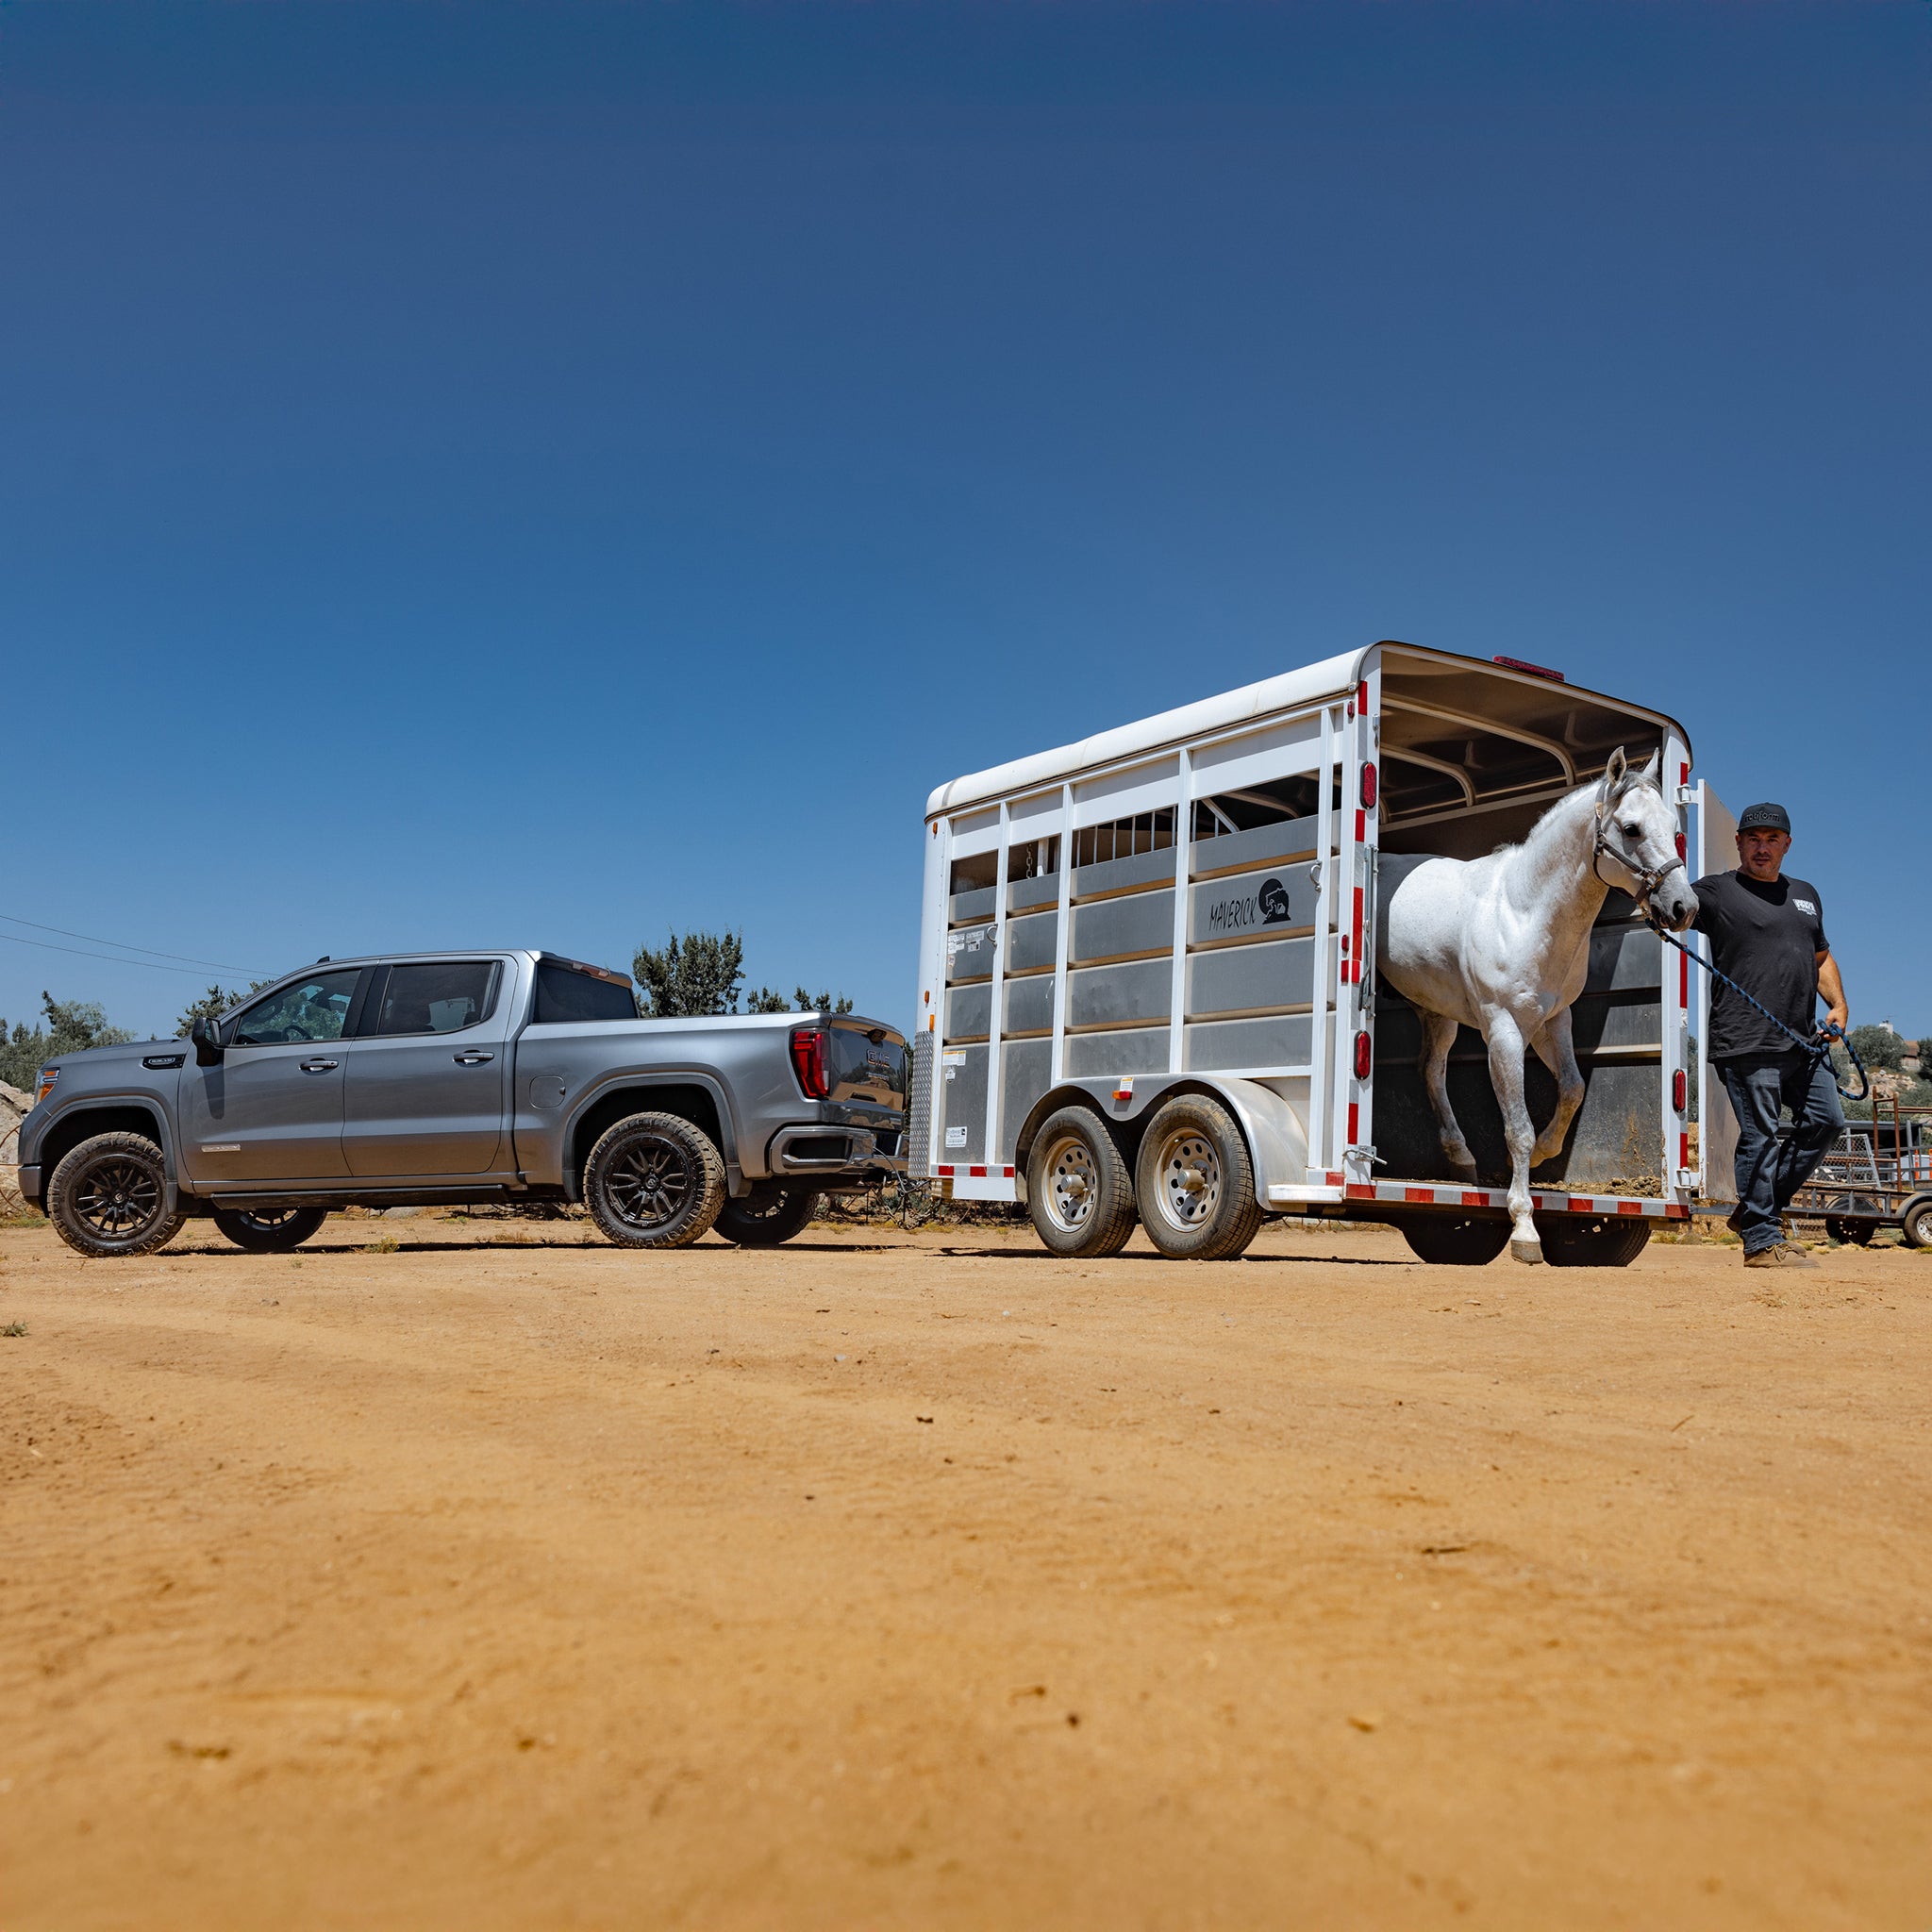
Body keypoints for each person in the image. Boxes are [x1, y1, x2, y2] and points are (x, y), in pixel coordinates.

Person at [1690, 803, 1849, 1268]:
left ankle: (1754, 1213)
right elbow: (1674, 913)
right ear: (1738, 842)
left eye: (1772, 839)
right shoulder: (1716, 891)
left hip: (1803, 1041)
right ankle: (1761, 1239)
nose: (1762, 847)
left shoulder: (1806, 895)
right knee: (1760, 1135)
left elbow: (1820, 958)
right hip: (1745, 1038)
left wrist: (1838, 1006)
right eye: (1753, 838)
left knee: (1827, 1121)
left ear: (1787, 845)